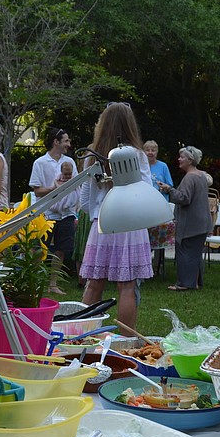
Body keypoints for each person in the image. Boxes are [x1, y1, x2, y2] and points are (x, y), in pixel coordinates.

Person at [79, 102, 153, 328]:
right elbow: (148, 192)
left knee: (94, 284)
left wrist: (97, 210)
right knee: (127, 286)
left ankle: (84, 337)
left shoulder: (92, 154)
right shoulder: (138, 155)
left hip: (101, 223)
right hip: (131, 225)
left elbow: (84, 201)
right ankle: (125, 341)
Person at [29, 127, 79, 294]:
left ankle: (53, 284)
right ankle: (35, 282)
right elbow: (37, 191)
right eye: (66, 141)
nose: (68, 144)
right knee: (38, 248)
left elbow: (76, 184)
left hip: (66, 213)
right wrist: (54, 188)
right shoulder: (40, 163)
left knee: (61, 249)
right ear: (56, 142)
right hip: (46, 213)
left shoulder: (70, 162)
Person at [157, 146, 213, 290]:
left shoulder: (189, 177)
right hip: (202, 222)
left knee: (185, 252)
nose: (179, 159)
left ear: (190, 160)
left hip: (191, 224)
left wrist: (169, 189)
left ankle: (184, 284)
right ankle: (195, 282)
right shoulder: (201, 175)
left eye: (182, 157)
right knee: (195, 254)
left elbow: (184, 198)